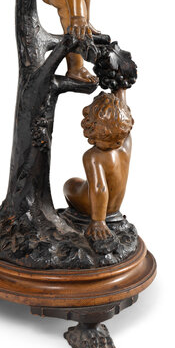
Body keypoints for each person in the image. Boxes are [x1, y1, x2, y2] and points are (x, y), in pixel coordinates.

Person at [63, 91, 133, 240]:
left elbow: (100, 188)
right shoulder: (125, 145)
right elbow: (123, 110)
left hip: (95, 207)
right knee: (80, 183)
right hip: (115, 208)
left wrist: (98, 221)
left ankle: (85, 217)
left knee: (70, 185)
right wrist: (121, 91)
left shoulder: (93, 156)